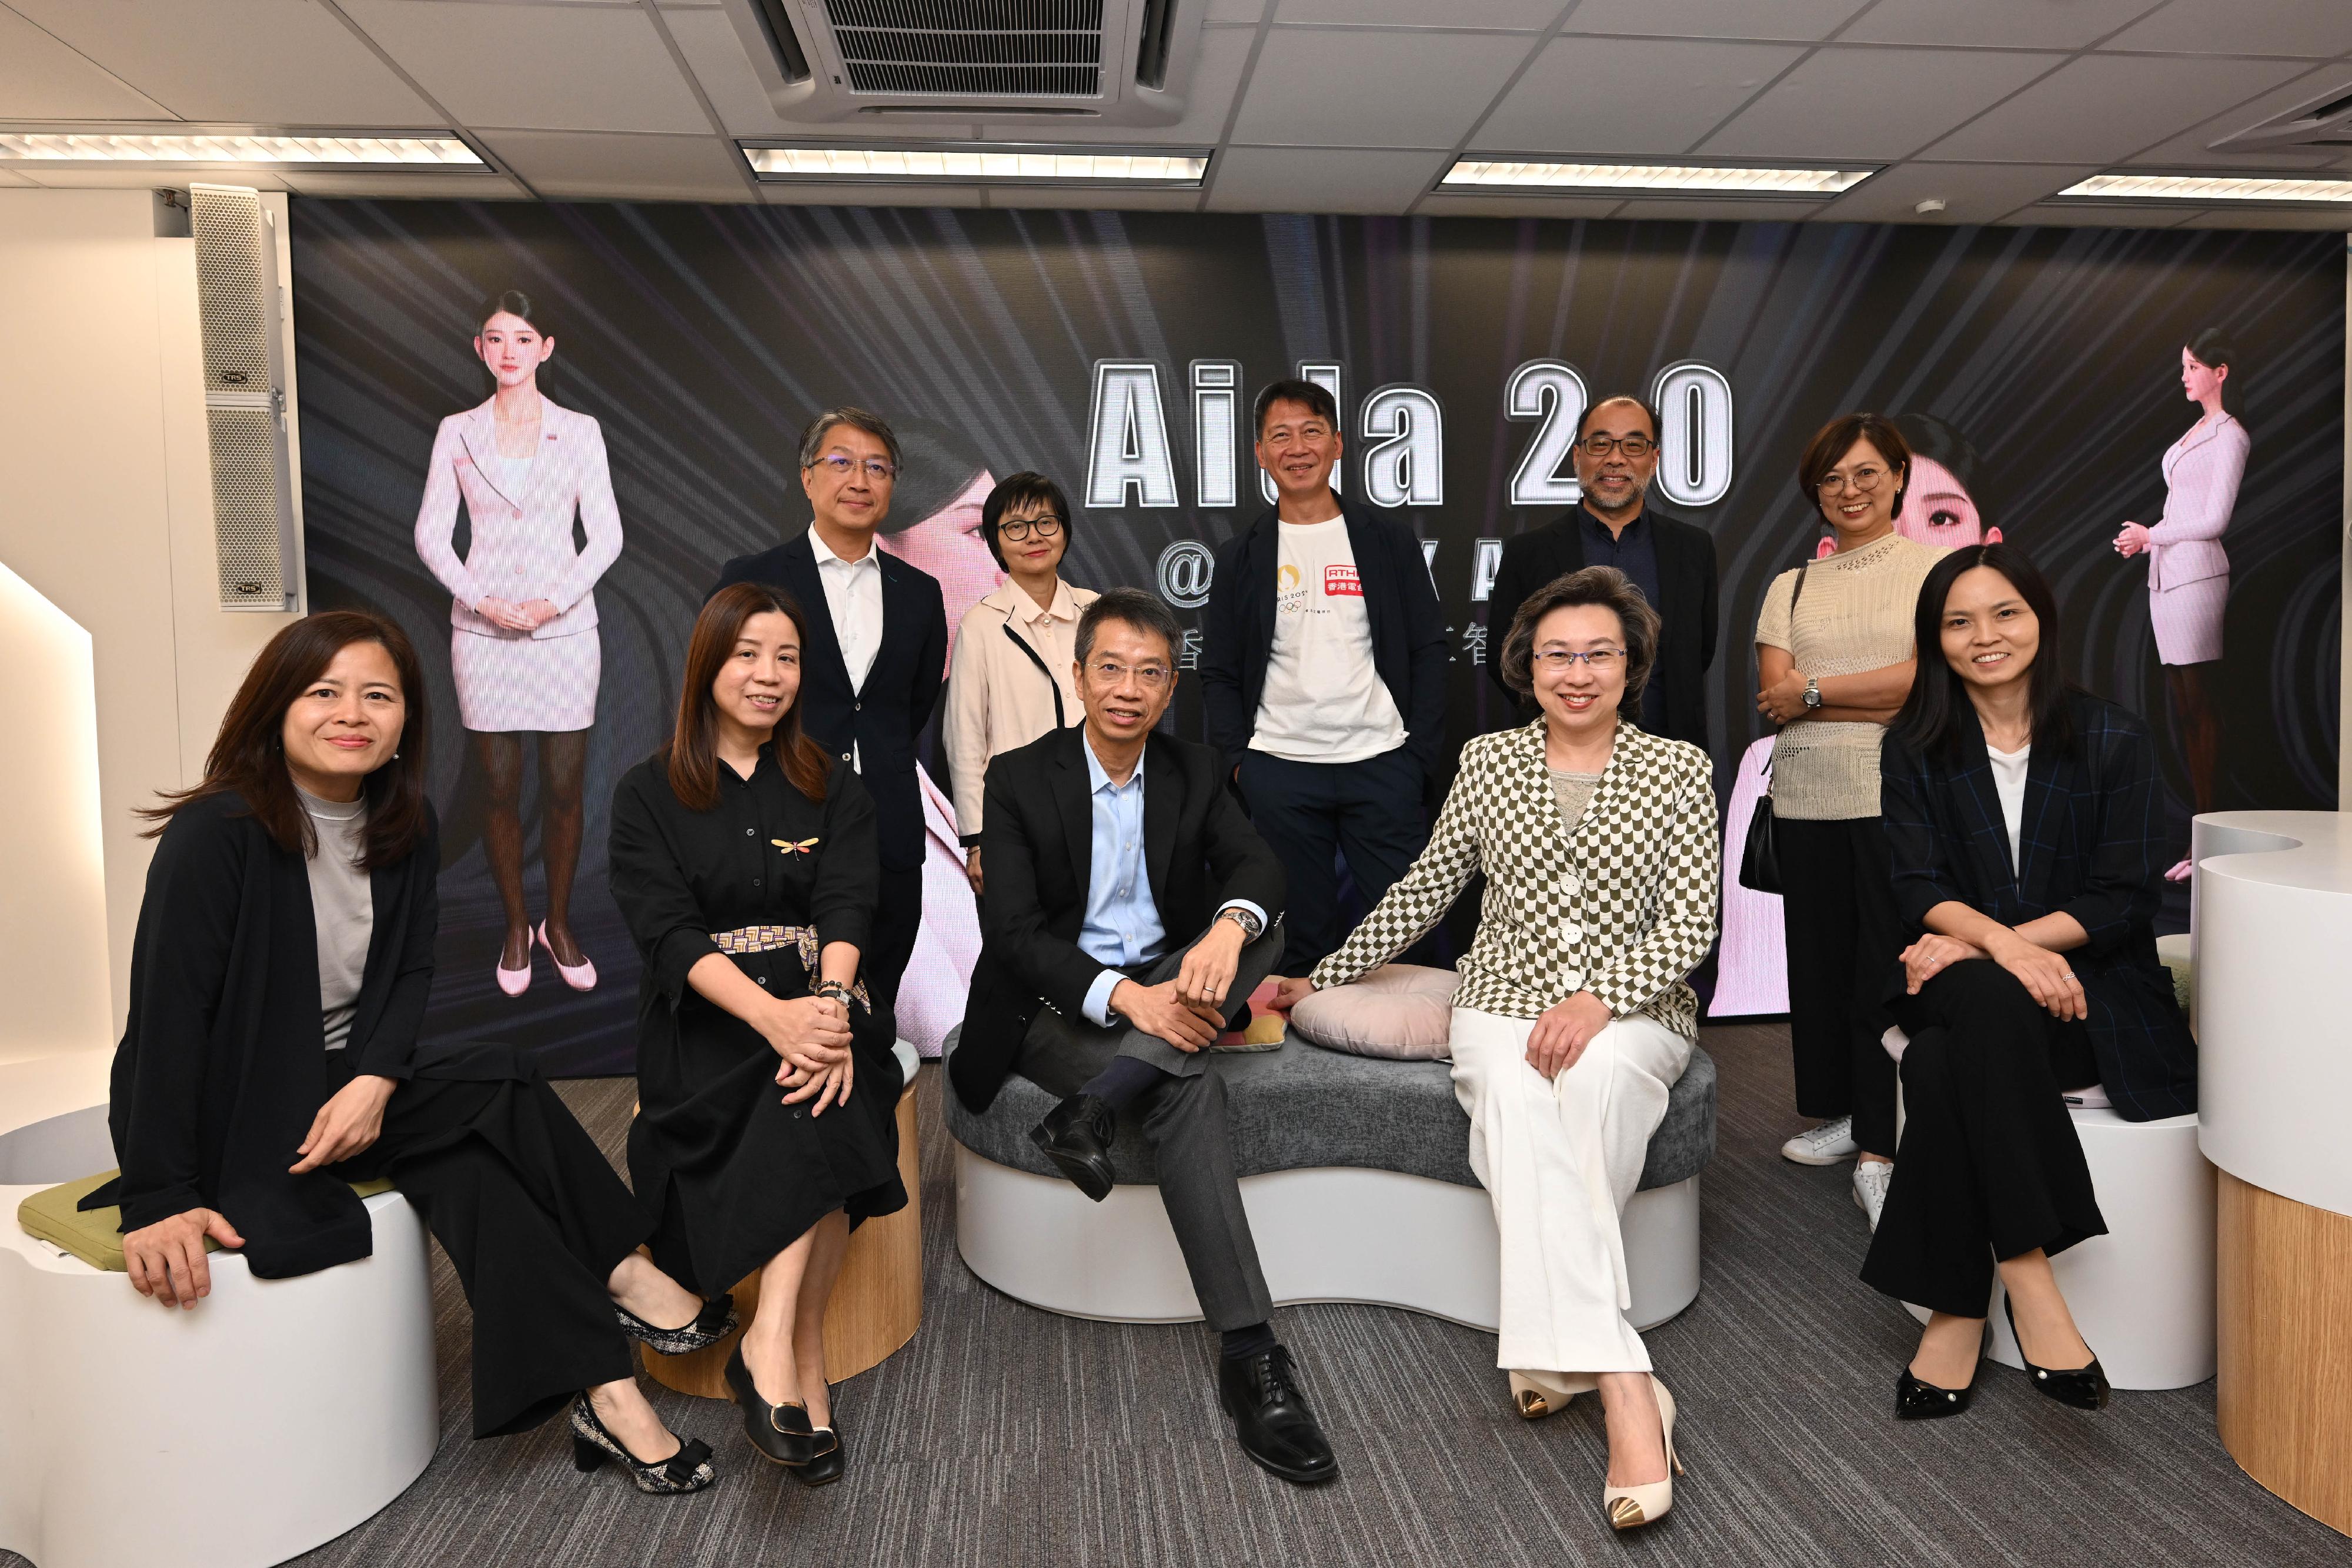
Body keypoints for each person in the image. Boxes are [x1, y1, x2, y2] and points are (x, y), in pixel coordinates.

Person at [98, 611, 730, 1496]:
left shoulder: (406, 820)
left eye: (378, 695)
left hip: (343, 1082)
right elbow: (165, 1021)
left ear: (407, 719)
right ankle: (624, 1264)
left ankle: (611, 1393)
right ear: (274, 706)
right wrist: (157, 1193)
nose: (351, 712)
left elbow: (411, 972)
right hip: (242, 1101)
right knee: (498, 1079)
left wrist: (373, 1076)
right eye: (324, 692)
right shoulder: (218, 832)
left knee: (477, 1166)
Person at [1278, 566, 1717, 1532]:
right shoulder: (1488, 761)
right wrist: (1324, 972)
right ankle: (1628, 1384)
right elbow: (1427, 887)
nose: (1577, 670)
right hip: (1501, 1000)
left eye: (1599, 651)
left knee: (1593, 1082)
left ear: (1630, 664)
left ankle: (1558, 1356)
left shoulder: (1679, 767)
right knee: (1519, 1100)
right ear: (1526, 666)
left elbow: (1692, 922)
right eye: (1558, 653)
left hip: (1634, 1004)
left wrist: (1600, 998)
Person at [948, 588, 1335, 1487]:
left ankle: (1099, 1106)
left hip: (1167, 978)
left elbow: (1260, 866)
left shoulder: (1196, 769)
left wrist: (1226, 931)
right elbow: (1011, 932)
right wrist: (1132, 998)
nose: (1130, 688)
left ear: (1170, 690)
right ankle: (1251, 1352)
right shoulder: (1016, 776)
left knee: (1263, 924)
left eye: (1151, 673)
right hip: (1053, 1005)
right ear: (1077, 673)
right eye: (1111, 668)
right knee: (1191, 1083)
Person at [1869, 544, 2197, 1418]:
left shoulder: (2112, 734)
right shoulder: (1913, 747)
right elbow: (1915, 888)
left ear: (2042, 619)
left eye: (2005, 612)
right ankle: (2029, 1271)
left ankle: (1954, 1309)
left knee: (1940, 1066)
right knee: (1979, 1000)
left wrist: (1992, 945)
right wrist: (1999, 951)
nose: (1986, 636)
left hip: (2088, 987)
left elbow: (2123, 897)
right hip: (1966, 975)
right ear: (1936, 641)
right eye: (1959, 621)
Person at [609, 582, 907, 1486]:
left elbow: (850, 899)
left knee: (833, 1066)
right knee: (807, 1086)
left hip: (824, 993)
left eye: (786, 657)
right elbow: (667, 932)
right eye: (747, 654)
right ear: (708, 665)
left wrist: (827, 1002)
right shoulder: (646, 791)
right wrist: (777, 1017)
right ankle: (795, 1352)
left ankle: (773, 1342)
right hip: (706, 1017)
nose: (768, 675)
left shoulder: (833, 781)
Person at [1754, 413, 1945, 1227]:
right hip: (1805, 800)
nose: (1851, 490)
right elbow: (1773, 692)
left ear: (1900, 476)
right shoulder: (1791, 585)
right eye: (1833, 479)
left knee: (1883, 969)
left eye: (1867, 473)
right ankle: (1849, 1113)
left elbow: (1926, 682)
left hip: (1892, 799)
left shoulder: (1937, 572)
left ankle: (1881, 1147)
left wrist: (1822, 691)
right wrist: (1824, 692)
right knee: (1824, 969)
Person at [1199, 377, 1448, 977]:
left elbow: (1428, 648)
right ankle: (1304, 1065)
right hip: (1280, 769)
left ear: (1337, 444)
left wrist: (1417, 758)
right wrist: (1242, 762)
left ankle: (1401, 1062)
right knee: (1296, 938)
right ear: (1259, 453)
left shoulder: (1385, 539)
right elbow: (1219, 670)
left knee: (1403, 932)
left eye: (1311, 432)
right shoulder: (1241, 555)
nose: (1297, 448)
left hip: (1382, 760)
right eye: (1279, 436)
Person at [412, 290, 622, 997]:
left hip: (563, 630)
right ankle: (514, 923)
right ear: (480, 349)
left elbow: (608, 536)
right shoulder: (457, 431)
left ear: (546, 348)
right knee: (499, 787)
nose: (509, 352)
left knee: (564, 785)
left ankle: (556, 923)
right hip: (483, 631)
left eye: (523, 339)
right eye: (496, 339)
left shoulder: (580, 430)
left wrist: (551, 601)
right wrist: (483, 600)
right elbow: (431, 534)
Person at [710, 407, 949, 1024]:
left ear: (892, 486)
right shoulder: (754, 578)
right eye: (840, 463)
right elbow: (724, 695)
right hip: (783, 812)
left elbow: (911, 704)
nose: (860, 481)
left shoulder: (919, 592)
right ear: (809, 477)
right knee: (789, 988)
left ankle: (874, 1107)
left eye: (877, 468)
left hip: (889, 823)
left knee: (881, 986)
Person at [1486, 394, 1720, 750]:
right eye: (1600, 444)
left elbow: (1699, 652)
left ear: (1654, 459)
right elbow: (1505, 658)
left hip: (1668, 754)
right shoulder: (1528, 552)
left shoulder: (1693, 548)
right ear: (1578, 456)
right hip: (1558, 754)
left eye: (1633, 445)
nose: (1615, 458)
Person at [2114, 330, 2249, 881]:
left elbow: (2215, 520)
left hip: (2197, 577)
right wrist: (2143, 540)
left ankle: (2207, 841)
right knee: (2183, 706)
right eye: (2185, 366)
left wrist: (2154, 536)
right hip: (2167, 577)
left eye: (2194, 366)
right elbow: (2181, 509)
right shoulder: (2194, 432)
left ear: (2221, 372)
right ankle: (2201, 839)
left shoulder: (2229, 436)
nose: (2185, 376)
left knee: (2200, 705)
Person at [940, 470, 1098, 899]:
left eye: (1047, 522)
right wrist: (976, 839)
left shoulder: (1098, 611)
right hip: (1016, 818)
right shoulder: (980, 624)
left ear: (1064, 530)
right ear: (996, 542)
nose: (1034, 536)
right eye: (1016, 527)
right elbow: (965, 739)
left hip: (1101, 806)